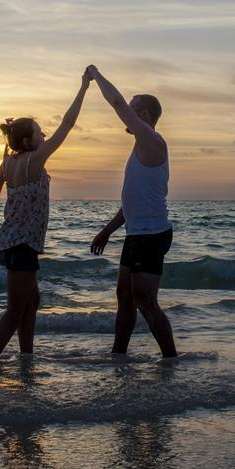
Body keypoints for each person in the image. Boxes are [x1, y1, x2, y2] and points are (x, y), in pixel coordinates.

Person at [0, 69, 91, 361]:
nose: (44, 134)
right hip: (21, 246)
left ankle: (26, 357)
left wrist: (1, 168)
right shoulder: (35, 160)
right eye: (39, 131)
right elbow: (68, 125)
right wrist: (83, 87)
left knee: (32, 303)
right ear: (30, 142)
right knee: (16, 309)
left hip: (11, 243)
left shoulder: (9, 164)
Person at [87, 64, 177, 358]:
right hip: (136, 234)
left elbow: (116, 103)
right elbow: (132, 202)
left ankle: (170, 359)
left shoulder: (152, 142)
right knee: (124, 297)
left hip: (152, 236)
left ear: (144, 116)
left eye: (133, 108)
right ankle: (118, 356)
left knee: (145, 301)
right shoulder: (139, 146)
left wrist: (96, 76)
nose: (126, 111)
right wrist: (106, 231)